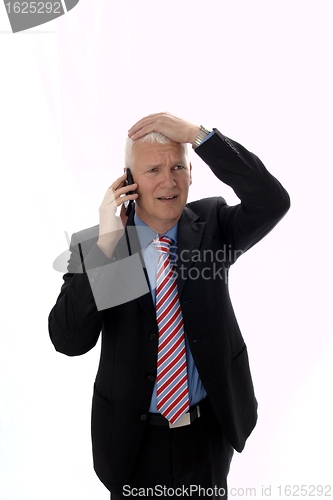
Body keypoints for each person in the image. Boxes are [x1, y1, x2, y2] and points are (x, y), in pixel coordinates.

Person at [48, 112, 290, 499]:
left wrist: (199, 136)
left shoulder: (211, 225)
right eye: (153, 169)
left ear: (192, 173)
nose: (169, 180)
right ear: (128, 182)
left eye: (178, 166)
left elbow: (272, 200)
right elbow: (68, 339)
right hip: (133, 441)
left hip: (207, 435)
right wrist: (106, 247)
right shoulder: (102, 247)